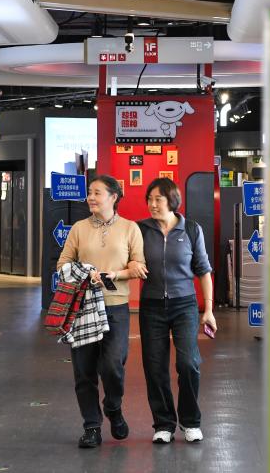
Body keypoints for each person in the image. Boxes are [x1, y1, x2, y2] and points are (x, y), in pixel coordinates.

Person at [56, 175, 147, 449]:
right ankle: (92, 427)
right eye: (89, 193)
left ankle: (113, 407)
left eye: (97, 193)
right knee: (84, 371)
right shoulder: (79, 228)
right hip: (82, 307)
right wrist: (86, 273)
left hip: (116, 307)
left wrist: (115, 274)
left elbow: (138, 266)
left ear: (113, 197)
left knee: (112, 365)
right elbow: (62, 264)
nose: (90, 198)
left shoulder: (130, 228)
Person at [137, 177, 216, 444]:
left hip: (184, 305)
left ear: (172, 200)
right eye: (149, 199)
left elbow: (203, 271)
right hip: (151, 306)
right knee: (155, 367)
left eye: (158, 199)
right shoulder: (140, 229)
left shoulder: (191, 229)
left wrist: (209, 310)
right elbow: (128, 259)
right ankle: (164, 424)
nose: (152, 204)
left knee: (188, 363)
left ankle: (191, 422)